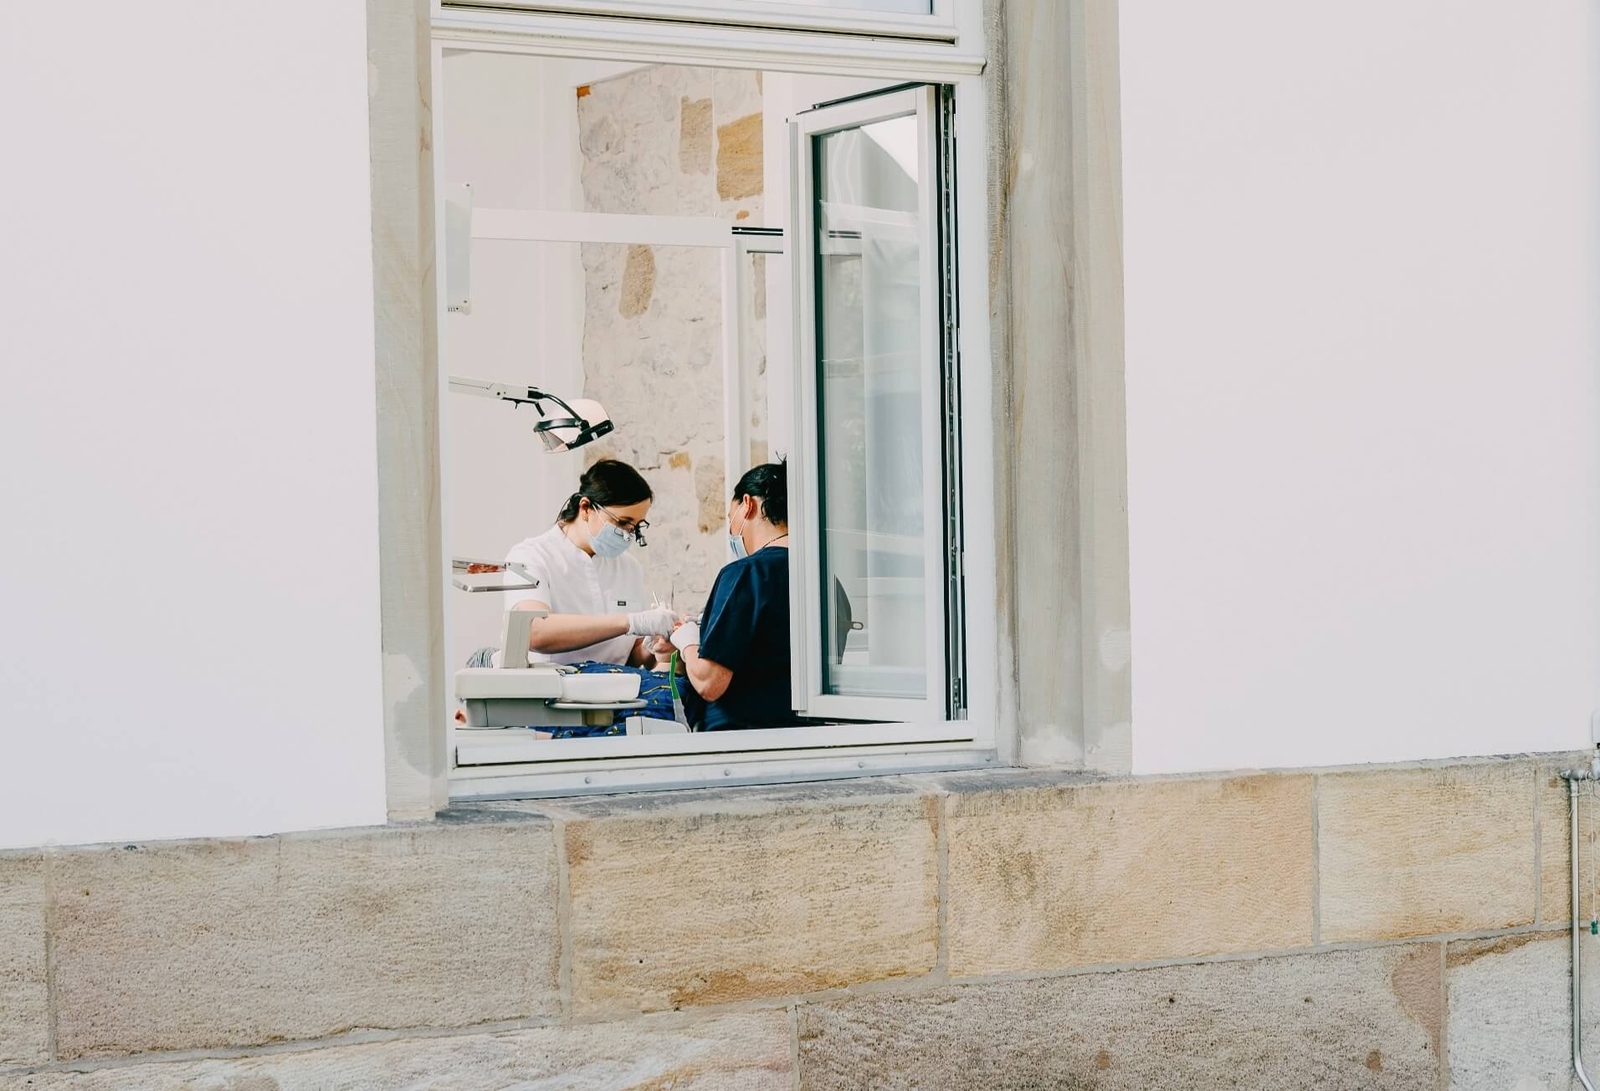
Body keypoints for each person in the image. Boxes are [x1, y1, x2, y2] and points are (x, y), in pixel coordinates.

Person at [499, 459, 677, 668]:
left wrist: (652, 647)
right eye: (622, 523)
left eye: (636, 527)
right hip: (549, 691)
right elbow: (534, 632)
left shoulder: (629, 567)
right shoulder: (530, 557)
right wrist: (631, 622)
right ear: (585, 508)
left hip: (613, 691)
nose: (628, 535)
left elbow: (628, 657)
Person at [667, 462, 800, 730]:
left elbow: (709, 683)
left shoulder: (744, 574)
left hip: (739, 739)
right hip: (803, 736)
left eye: (730, 518)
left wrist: (688, 642)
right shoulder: (820, 579)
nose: (731, 529)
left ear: (747, 504)